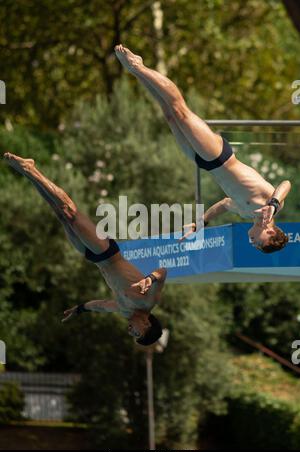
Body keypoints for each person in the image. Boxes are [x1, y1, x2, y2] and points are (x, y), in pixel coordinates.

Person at [115, 45, 292, 253]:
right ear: (270, 233)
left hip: (204, 162)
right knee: (180, 111)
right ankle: (139, 66)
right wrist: (272, 203)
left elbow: (225, 203)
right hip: (220, 157)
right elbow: (286, 184)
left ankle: (137, 74)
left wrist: (201, 223)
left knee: (169, 115)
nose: (253, 242)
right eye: (259, 243)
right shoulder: (271, 209)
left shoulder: (247, 213)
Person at [3, 152, 166, 346]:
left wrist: (79, 309)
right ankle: (29, 169)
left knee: (60, 215)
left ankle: (29, 171)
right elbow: (163, 272)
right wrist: (150, 278)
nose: (130, 331)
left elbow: (101, 306)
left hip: (93, 258)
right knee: (69, 212)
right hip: (108, 252)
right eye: (137, 334)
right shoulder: (148, 302)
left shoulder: (124, 310)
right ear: (147, 325)